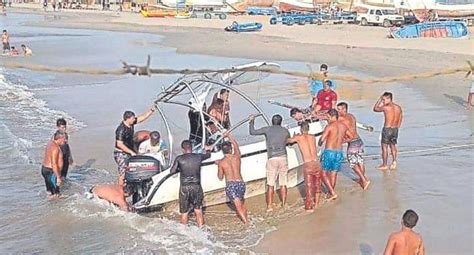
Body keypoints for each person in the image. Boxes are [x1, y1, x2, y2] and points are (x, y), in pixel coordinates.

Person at [287, 121, 337, 211]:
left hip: (308, 164)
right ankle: (317, 204)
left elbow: (288, 141)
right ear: (309, 129)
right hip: (317, 163)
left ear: (301, 129)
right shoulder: (312, 137)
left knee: (309, 186)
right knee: (317, 185)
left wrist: (294, 136)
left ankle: (309, 207)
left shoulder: (299, 138)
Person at [249, 114, 290, 211]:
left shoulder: (267, 129)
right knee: (283, 182)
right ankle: (284, 204)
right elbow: (288, 140)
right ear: (281, 122)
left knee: (270, 184)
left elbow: (252, 132)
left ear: (272, 121)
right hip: (283, 157)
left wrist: (251, 121)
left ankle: (269, 206)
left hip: (272, 158)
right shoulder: (285, 130)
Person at [170, 140, 211, 227]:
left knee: (184, 212)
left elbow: (172, 171)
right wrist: (208, 149)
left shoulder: (179, 158)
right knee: (198, 210)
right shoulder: (198, 157)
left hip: (184, 187)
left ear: (182, 149)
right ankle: (202, 229)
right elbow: (208, 155)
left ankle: (184, 232)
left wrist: (180, 169)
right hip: (196, 186)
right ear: (191, 148)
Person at [114, 107, 155, 181]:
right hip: (120, 153)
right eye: (133, 118)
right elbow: (119, 144)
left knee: (132, 168)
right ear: (127, 119)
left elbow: (141, 118)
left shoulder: (131, 123)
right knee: (123, 172)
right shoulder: (121, 130)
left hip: (130, 149)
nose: (134, 119)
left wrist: (151, 111)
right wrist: (131, 152)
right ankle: (120, 189)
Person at [337, 102, 370, 190]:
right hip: (359, 141)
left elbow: (331, 119)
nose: (338, 111)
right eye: (338, 109)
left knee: (352, 163)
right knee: (360, 161)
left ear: (344, 109)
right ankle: (362, 179)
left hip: (352, 143)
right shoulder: (351, 116)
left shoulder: (341, 119)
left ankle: (364, 179)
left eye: (340, 109)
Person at [216, 132, 248, 224]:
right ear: (231, 149)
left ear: (222, 151)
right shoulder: (237, 157)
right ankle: (246, 219)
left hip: (231, 185)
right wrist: (229, 136)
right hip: (241, 183)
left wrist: (218, 165)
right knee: (241, 204)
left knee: (238, 207)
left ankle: (246, 223)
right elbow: (236, 145)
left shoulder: (222, 163)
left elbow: (220, 177)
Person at [318, 109, 353, 191]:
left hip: (329, 152)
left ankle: (331, 192)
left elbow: (322, 140)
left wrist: (319, 142)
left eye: (328, 117)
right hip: (339, 152)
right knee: (333, 174)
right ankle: (331, 193)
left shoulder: (329, 126)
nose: (327, 119)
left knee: (323, 173)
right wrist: (342, 141)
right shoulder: (343, 126)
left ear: (332, 116)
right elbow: (351, 137)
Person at [373, 92, 403, 170]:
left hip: (387, 129)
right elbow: (400, 118)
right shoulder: (398, 107)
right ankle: (394, 161)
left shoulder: (386, 107)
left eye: (384, 100)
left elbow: (375, 108)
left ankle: (384, 164)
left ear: (389, 99)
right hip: (395, 129)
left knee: (384, 147)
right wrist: (397, 127)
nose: (383, 101)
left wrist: (379, 100)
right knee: (393, 145)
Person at [41, 130, 66, 198]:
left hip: (45, 169)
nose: (65, 140)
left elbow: (54, 136)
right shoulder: (55, 148)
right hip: (51, 172)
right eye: (64, 139)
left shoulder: (50, 143)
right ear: (60, 138)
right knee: (56, 195)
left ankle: (49, 205)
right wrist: (58, 177)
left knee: (50, 192)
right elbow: (54, 163)